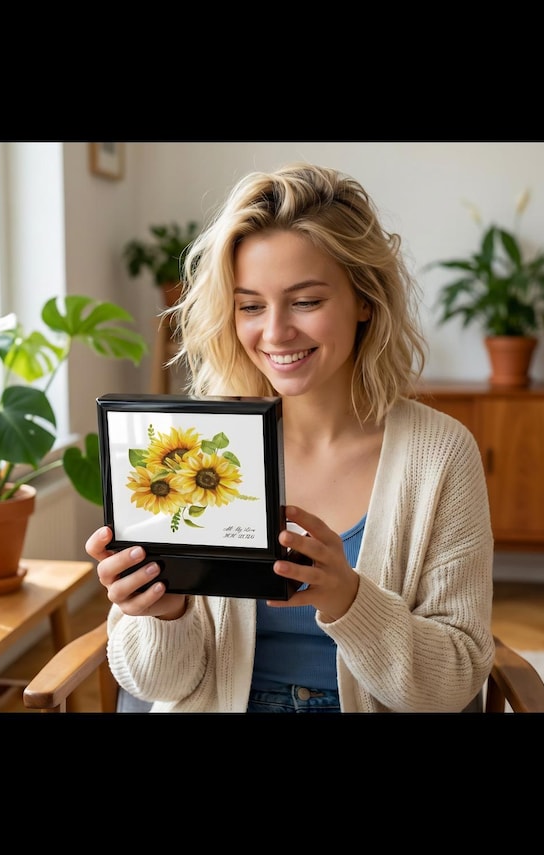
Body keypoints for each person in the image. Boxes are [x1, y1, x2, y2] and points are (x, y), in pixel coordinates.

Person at [86, 162, 494, 713]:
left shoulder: (440, 455)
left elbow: (452, 685)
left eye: (306, 301)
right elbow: (158, 685)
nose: (275, 332)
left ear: (365, 301)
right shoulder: (192, 448)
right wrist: (162, 612)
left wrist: (351, 599)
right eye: (250, 305)